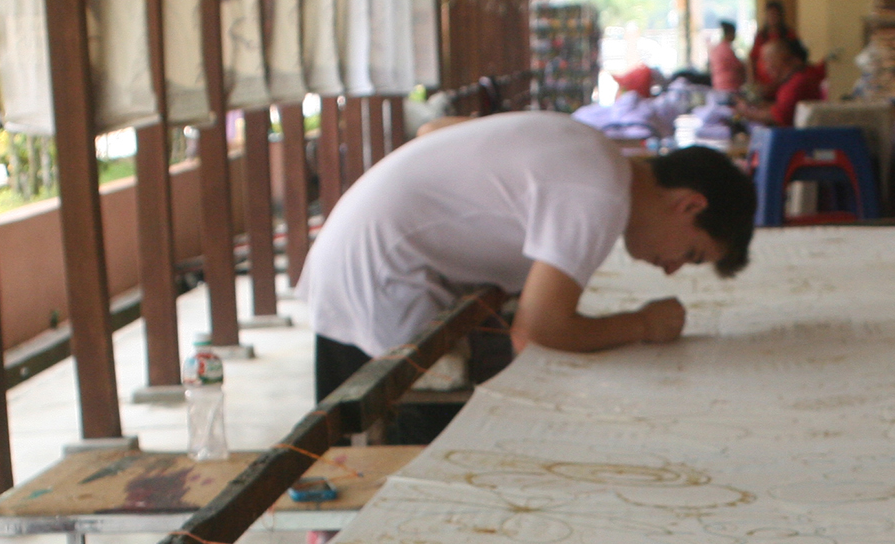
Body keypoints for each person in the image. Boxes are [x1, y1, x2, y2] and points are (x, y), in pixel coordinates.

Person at [299, 112, 755, 416]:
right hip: (375, 278)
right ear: (690, 206)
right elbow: (537, 333)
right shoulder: (601, 195)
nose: (672, 269)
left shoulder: (593, 149)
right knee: (383, 463)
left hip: (357, 250)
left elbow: (435, 129)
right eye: (691, 254)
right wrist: (643, 324)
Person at [736, 37, 827, 127]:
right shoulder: (799, 76)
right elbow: (781, 107)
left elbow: (778, 117)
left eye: (768, 60)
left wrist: (745, 111)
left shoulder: (797, 82)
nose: (766, 67)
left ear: (785, 58)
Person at [750, 0, 800, 84]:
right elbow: (752, 58)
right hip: (764, 82)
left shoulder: (789, 35)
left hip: (784, 82)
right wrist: (752, 80)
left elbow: (797, 57)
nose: (773, 17)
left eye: (775, 14)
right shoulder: (761, 36)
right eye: (770, 14)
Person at [708, 21, 745, 93]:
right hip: (728, 87)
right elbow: (738, 66)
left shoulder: (716, 48)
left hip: (718, 86)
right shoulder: (726, 49)